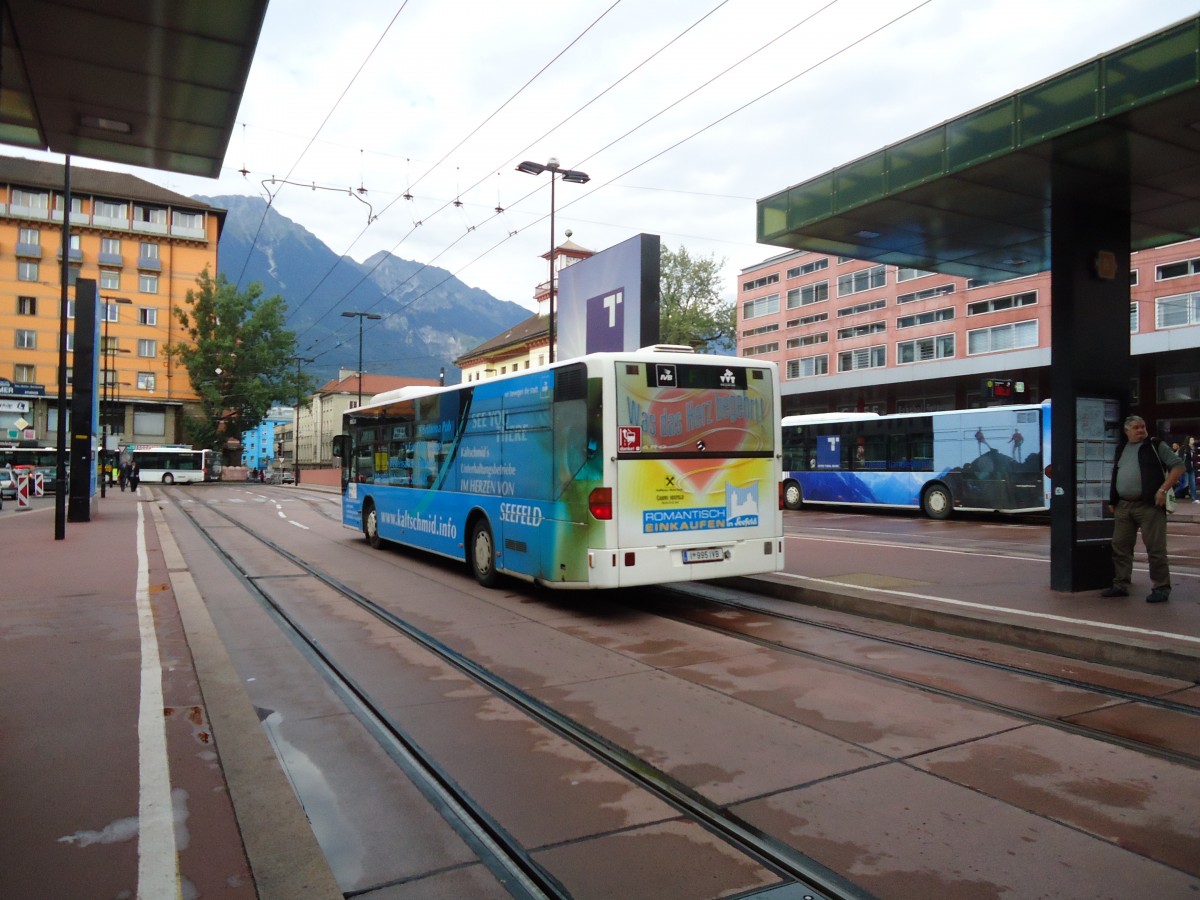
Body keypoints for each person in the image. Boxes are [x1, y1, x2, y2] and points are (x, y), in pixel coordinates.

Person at [1102, 415, 1183, 603]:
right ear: (1127, 431)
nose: (1140, 430)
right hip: (1123, 505)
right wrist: (1113, 499)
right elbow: (1117, 473)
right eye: (1136, 428)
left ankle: (1161, 588)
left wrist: (1163, 489)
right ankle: (1120, 584)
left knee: (1155, 549)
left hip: (1149, 506)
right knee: (1120, 546)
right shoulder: (1121, 448)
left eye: (1143, 427)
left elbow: (1178, 467)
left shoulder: (1155, 445)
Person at [1183, 435, 1197, 502]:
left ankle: (1194, 498)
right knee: (1185, 484)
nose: (1193, 441)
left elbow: (1194, 459)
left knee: (1193, 483)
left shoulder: (1193, 448)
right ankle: (1174, 493)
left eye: (1193, 440)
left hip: (1191, 468)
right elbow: (1183, 459)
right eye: (1192, 440)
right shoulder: (1185, 448)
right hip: (1186, 468)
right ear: (1188, 441)